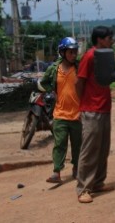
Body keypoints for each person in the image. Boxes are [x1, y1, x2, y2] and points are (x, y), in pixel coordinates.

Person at [75, 26, 115, 203]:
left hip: (104, 108)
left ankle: (98, 182)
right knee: (90, 150)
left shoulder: (106, 56)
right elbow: (79, 81)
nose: (111, 40)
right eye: (108, 38)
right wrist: (81, 105)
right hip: (91, 110)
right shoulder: (90, 56)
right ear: (100, 39)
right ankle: (84, 188)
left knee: (103, 149)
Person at [38, 37, 82, 183]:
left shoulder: (79, 68)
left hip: (77, 115)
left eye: (75, 51)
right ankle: (56, 172)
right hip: (60, 114)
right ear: (63, 52)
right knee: (59, 143)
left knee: (77, 144)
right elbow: (43, 82)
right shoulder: (54, 69)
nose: (74, 54)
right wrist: (51, 91)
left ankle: (76, 168)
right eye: (70, 52)